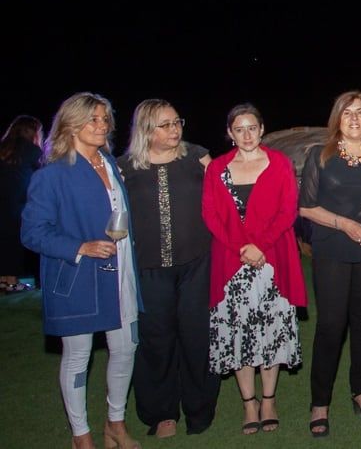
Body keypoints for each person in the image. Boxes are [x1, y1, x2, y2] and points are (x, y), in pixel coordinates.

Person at [21, 92, 142, 449]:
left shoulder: (110, 164)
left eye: (105, 119)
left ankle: (115, 424)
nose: (102, 125)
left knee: (126, 348)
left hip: (121, 270)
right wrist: (80, 247)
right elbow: (32, 232)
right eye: (93, 119)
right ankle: (81, 435)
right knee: (77, 356)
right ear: (71, 125)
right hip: (77, 277)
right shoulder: (53, 175)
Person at [202, 103, 306, 435]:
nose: (246, 135)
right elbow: (210, 215)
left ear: (262, 130)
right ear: (230, 133)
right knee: (239, 333)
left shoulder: (280, 164)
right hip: (232, 263)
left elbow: (288, 210)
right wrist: (241, 249)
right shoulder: (217, 169)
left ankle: (269, 400)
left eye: (252, 128)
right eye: (239, 129)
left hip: (272, 259)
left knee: (271, 331)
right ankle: (249, 403)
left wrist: (260, 245)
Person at [118, 99, 220, 438]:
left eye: (177, 122)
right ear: (146, 129)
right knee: (156, 339)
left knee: (197, 335)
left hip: (197, 264)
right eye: (165, 124)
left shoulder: (197, 158)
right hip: (149, 267)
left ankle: (199, 408)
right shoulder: (124, 168)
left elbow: (225, 200)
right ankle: (162, 413)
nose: (174, 129)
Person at [299, 91, 361, 437]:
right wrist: (345, 225)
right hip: (333, 248)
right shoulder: (320, 156)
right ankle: (320, 402)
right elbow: (306, 207)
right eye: (347, 112)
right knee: (331, 324)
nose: (354, 119)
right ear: (337, 119)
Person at [0, 115, 43, 292]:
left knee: (3, 241)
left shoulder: (4, 148)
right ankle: (11, 282)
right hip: (17, 203)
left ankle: (3, 280)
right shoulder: (32, 151)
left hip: (4, 202)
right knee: (14, 242)